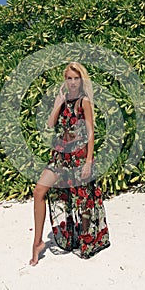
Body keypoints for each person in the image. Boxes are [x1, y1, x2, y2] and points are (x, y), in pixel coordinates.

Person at [29, 62, 110, 266]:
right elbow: (50, 124)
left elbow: (91, 133)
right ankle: (37, 242)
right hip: (60, 155)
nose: (73, 82)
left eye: (76, 78)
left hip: (79, 156)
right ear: (65, 80)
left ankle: (86, 241)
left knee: (83, 200)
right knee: (39, 190)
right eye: (69, 78)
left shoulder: (84, 102)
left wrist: (89, 162)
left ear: (81, 80)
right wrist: (57, 104)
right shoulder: (64, 100)